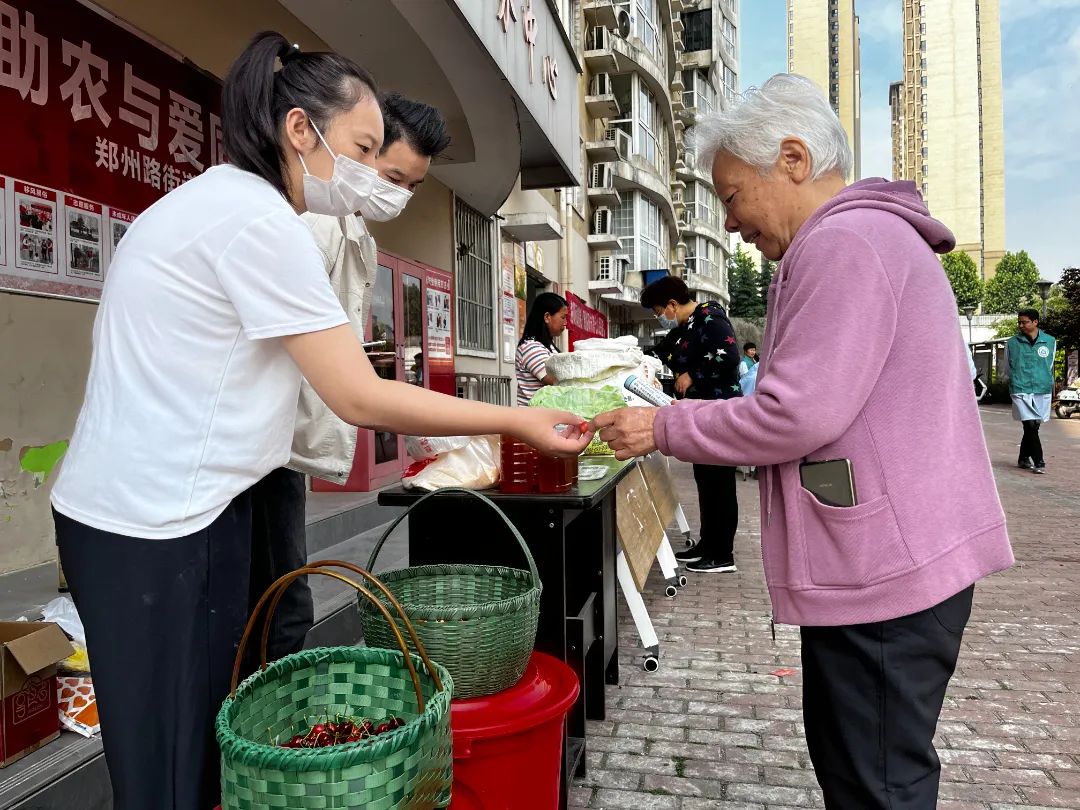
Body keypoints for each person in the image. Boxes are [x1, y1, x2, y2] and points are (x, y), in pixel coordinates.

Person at [49, 33, 589, 810]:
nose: (375, 177)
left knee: (177, 749)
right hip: (162, 521)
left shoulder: (225, 200)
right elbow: (359, 395)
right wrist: (518, 422)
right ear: (300, 131)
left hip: (151, 510)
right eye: (365, 150)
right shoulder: (259, 221)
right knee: (177, 768)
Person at [591, 74, 1013, 809]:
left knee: (875, 783)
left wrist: (660, 425)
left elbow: (794, 414)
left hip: (883, 574)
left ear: (790, 159)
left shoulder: (845, 241)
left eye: (728, 195)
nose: (728, 223)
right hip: (889, 564)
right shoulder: (859, 239)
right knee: (870, 770)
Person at [250, 92, 452, 665]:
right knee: (278, 608)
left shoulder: (352, 229)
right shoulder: (305, 225)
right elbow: (355, 390)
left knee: (282, 600)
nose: (399, 195)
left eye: (412, 186)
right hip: (254, 449)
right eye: (388, 172)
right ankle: (260, 725)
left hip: (279, 447)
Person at [643, 276, 741, 574]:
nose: (660, 316)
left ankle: (723, 554)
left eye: (660, 310)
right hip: (697, 414)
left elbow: (729, 358)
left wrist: (693, 375)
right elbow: (660, 353)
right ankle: (708, 543)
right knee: (706, 482)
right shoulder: (686, 328)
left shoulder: (710, 318)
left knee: (720, 484)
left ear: (673, 304)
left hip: (717, 412)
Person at [1005, 308, 1056, 474]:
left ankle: (1023, 458)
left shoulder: (1050, 341)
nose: (1021, 325)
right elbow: (1008, 367)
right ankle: (1039, 461)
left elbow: (1049, 365)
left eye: (1024, 322)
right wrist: (1015, 380)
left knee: (1034, 425)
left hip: (1042, 387)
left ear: (1035, 322)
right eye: (1019, 322)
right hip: (1020, 387)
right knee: (1029, 423)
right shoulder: (1012, 343)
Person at [516, 292, 568, 405]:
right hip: (531, 417)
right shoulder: (531, 347)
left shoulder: (548, 346)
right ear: (547, 317)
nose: (565, 323)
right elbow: (557, 381)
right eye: (563, 317)